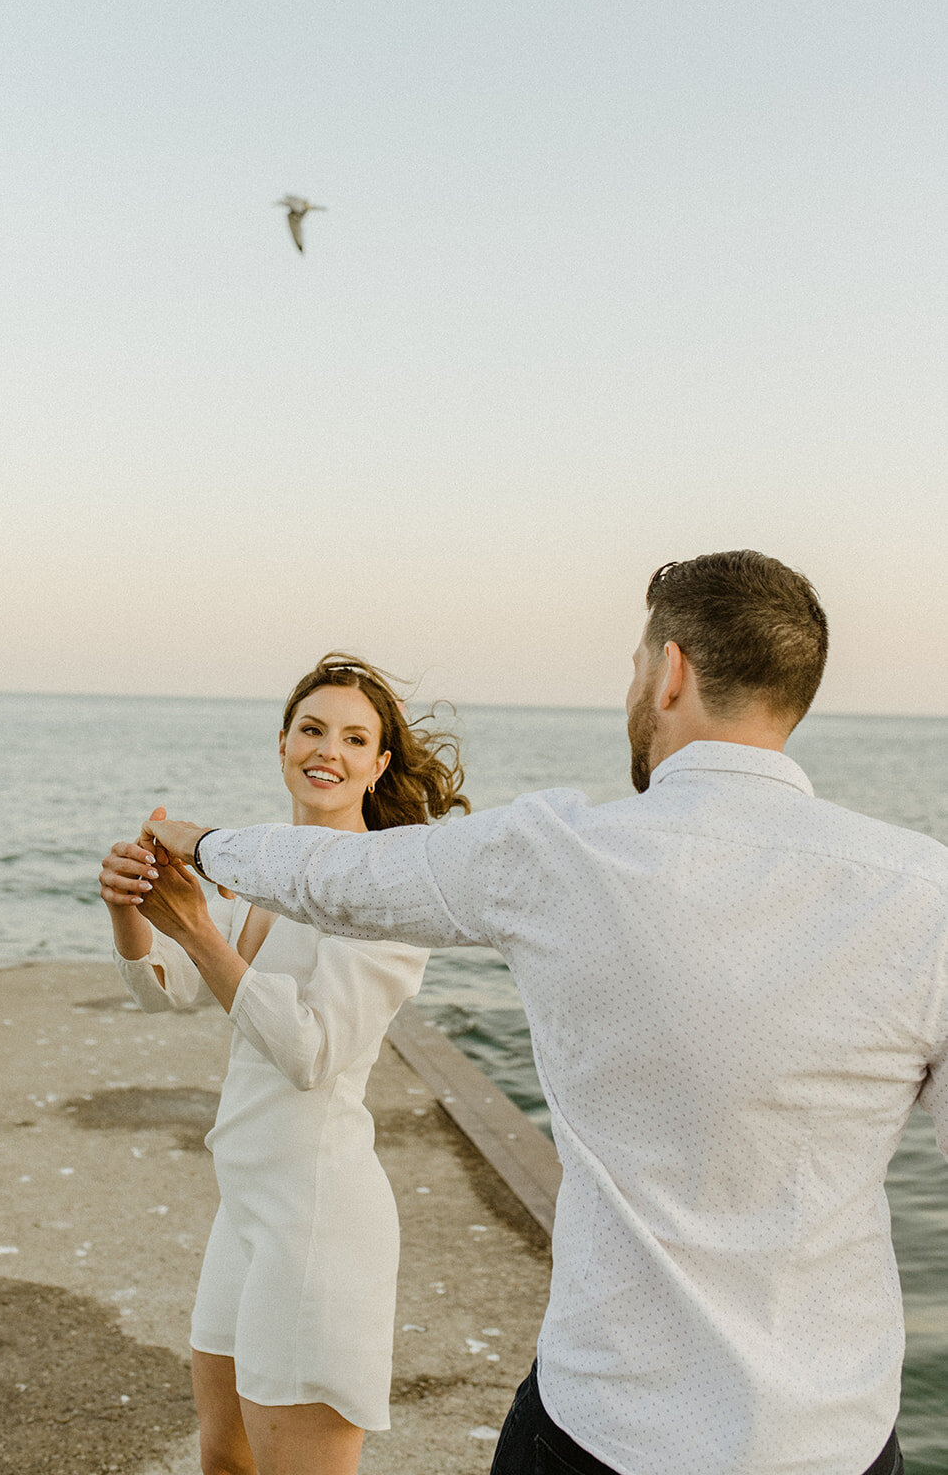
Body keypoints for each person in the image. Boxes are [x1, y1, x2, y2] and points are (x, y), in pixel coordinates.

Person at [129, 552, 947, 1475]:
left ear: (669, 671)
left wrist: (202, 844)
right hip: (834, 1440)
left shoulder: (560, 853)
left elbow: (348, 878)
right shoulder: (927, 893)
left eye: (636, 668)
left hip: (606, 1430)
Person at [98, 654, 468, 1475]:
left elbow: (310, 1051)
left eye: (352, 736)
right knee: (223, 1460)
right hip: (244, 1208)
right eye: (311, 728)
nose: (325, 749)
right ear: (281, 745)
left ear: (377, 765)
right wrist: (132, 912)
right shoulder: (268, 875)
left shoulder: (381, 892)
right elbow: (180, 995)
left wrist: (195, 925)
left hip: (316, 1220)